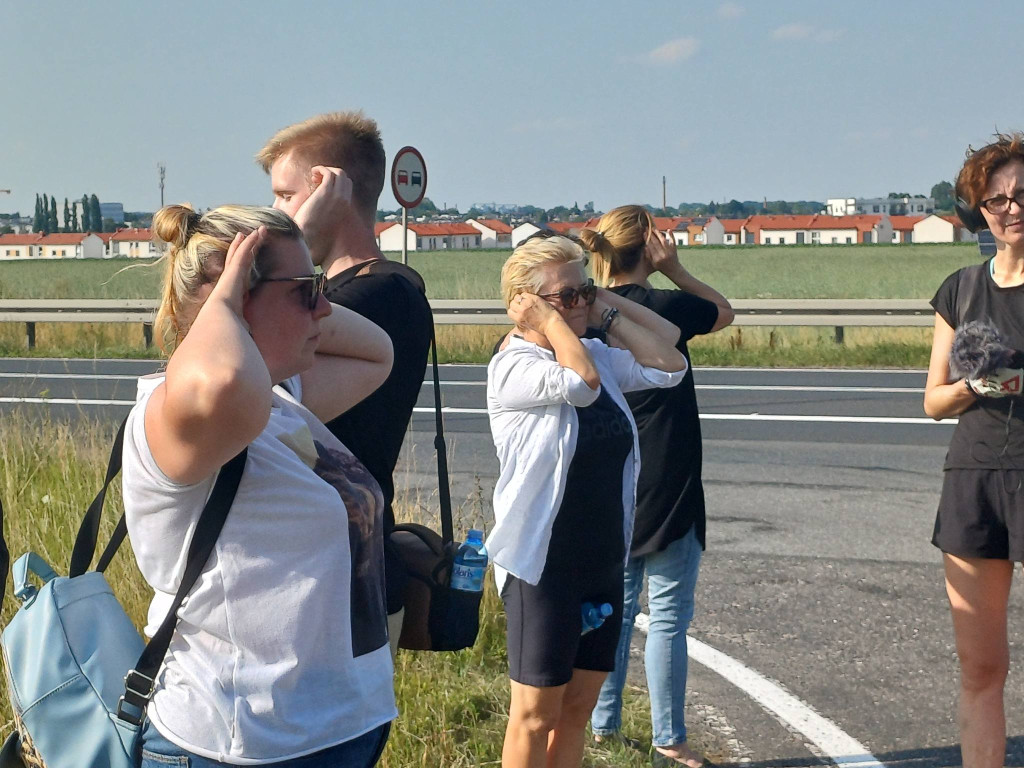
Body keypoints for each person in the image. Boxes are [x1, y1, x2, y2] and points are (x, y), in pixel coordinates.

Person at [124, 204, 396, 767]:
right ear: (233, 297)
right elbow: (222, 377)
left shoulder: (278, 399)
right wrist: (222, 297)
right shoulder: (184, 414)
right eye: (306, 291)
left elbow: (378, 352)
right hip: (238, 742)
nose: (325, 306)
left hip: (336, 727)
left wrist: (291, 261)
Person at [486, 235, 689, 768]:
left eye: (585, 291)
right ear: (523, 304)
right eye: (564, 296)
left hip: (602, 558)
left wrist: (602, 308)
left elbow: (669, 356)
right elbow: (582, 383)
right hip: (544, 566)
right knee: (534, 716)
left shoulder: (591, 345)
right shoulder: (514, 367)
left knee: (577, 710)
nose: (579, 304)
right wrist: (554, 322)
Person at [257, 112, 433, 652]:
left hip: (342, 580)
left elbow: (235, 357)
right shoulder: (342, 294)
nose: (275, 214)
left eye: (285, 197)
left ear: (326, 189)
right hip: (320, 568)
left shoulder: (380, 295)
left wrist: (295, 242)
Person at [578, 207, 734, 767]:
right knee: (668, 615)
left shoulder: (588, 314)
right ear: (650, 247)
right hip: (670, 477)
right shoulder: (667, 307)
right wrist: (678, 269)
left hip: (612, 476)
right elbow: (723, 313)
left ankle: (602, 724)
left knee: (614, 608)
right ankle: (670, 737)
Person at [924, 132, 1024, 768]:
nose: (1010, 208)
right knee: (981, 668)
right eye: (995, 200)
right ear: (978, 210)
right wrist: (979, 384)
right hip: (975, 479)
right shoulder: (960, 288)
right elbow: (933, 400)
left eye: (1020, 195)